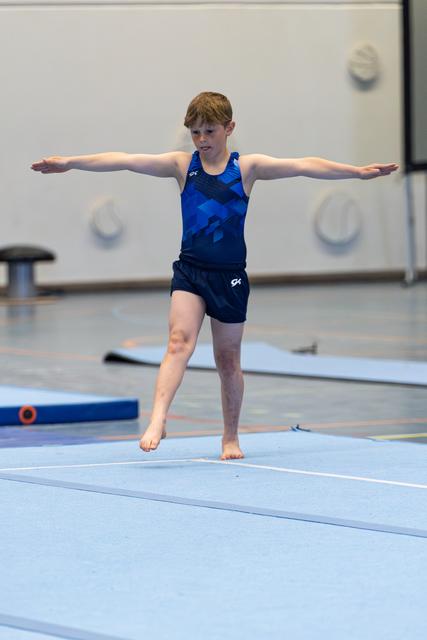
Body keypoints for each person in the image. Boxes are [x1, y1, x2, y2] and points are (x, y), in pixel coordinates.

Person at [31, 91, 398, 460]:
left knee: (227, 359)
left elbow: (303, 165)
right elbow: (125, 160)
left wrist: (356, 172)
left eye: (209, 131)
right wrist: (71, 163)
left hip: (230, 278)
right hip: (190, 272)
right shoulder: (181, 166)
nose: (202, 140)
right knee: (178, 342)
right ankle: (158, 419)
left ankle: (230, 436)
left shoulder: (247, 168)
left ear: (229, 128)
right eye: (195, 133)